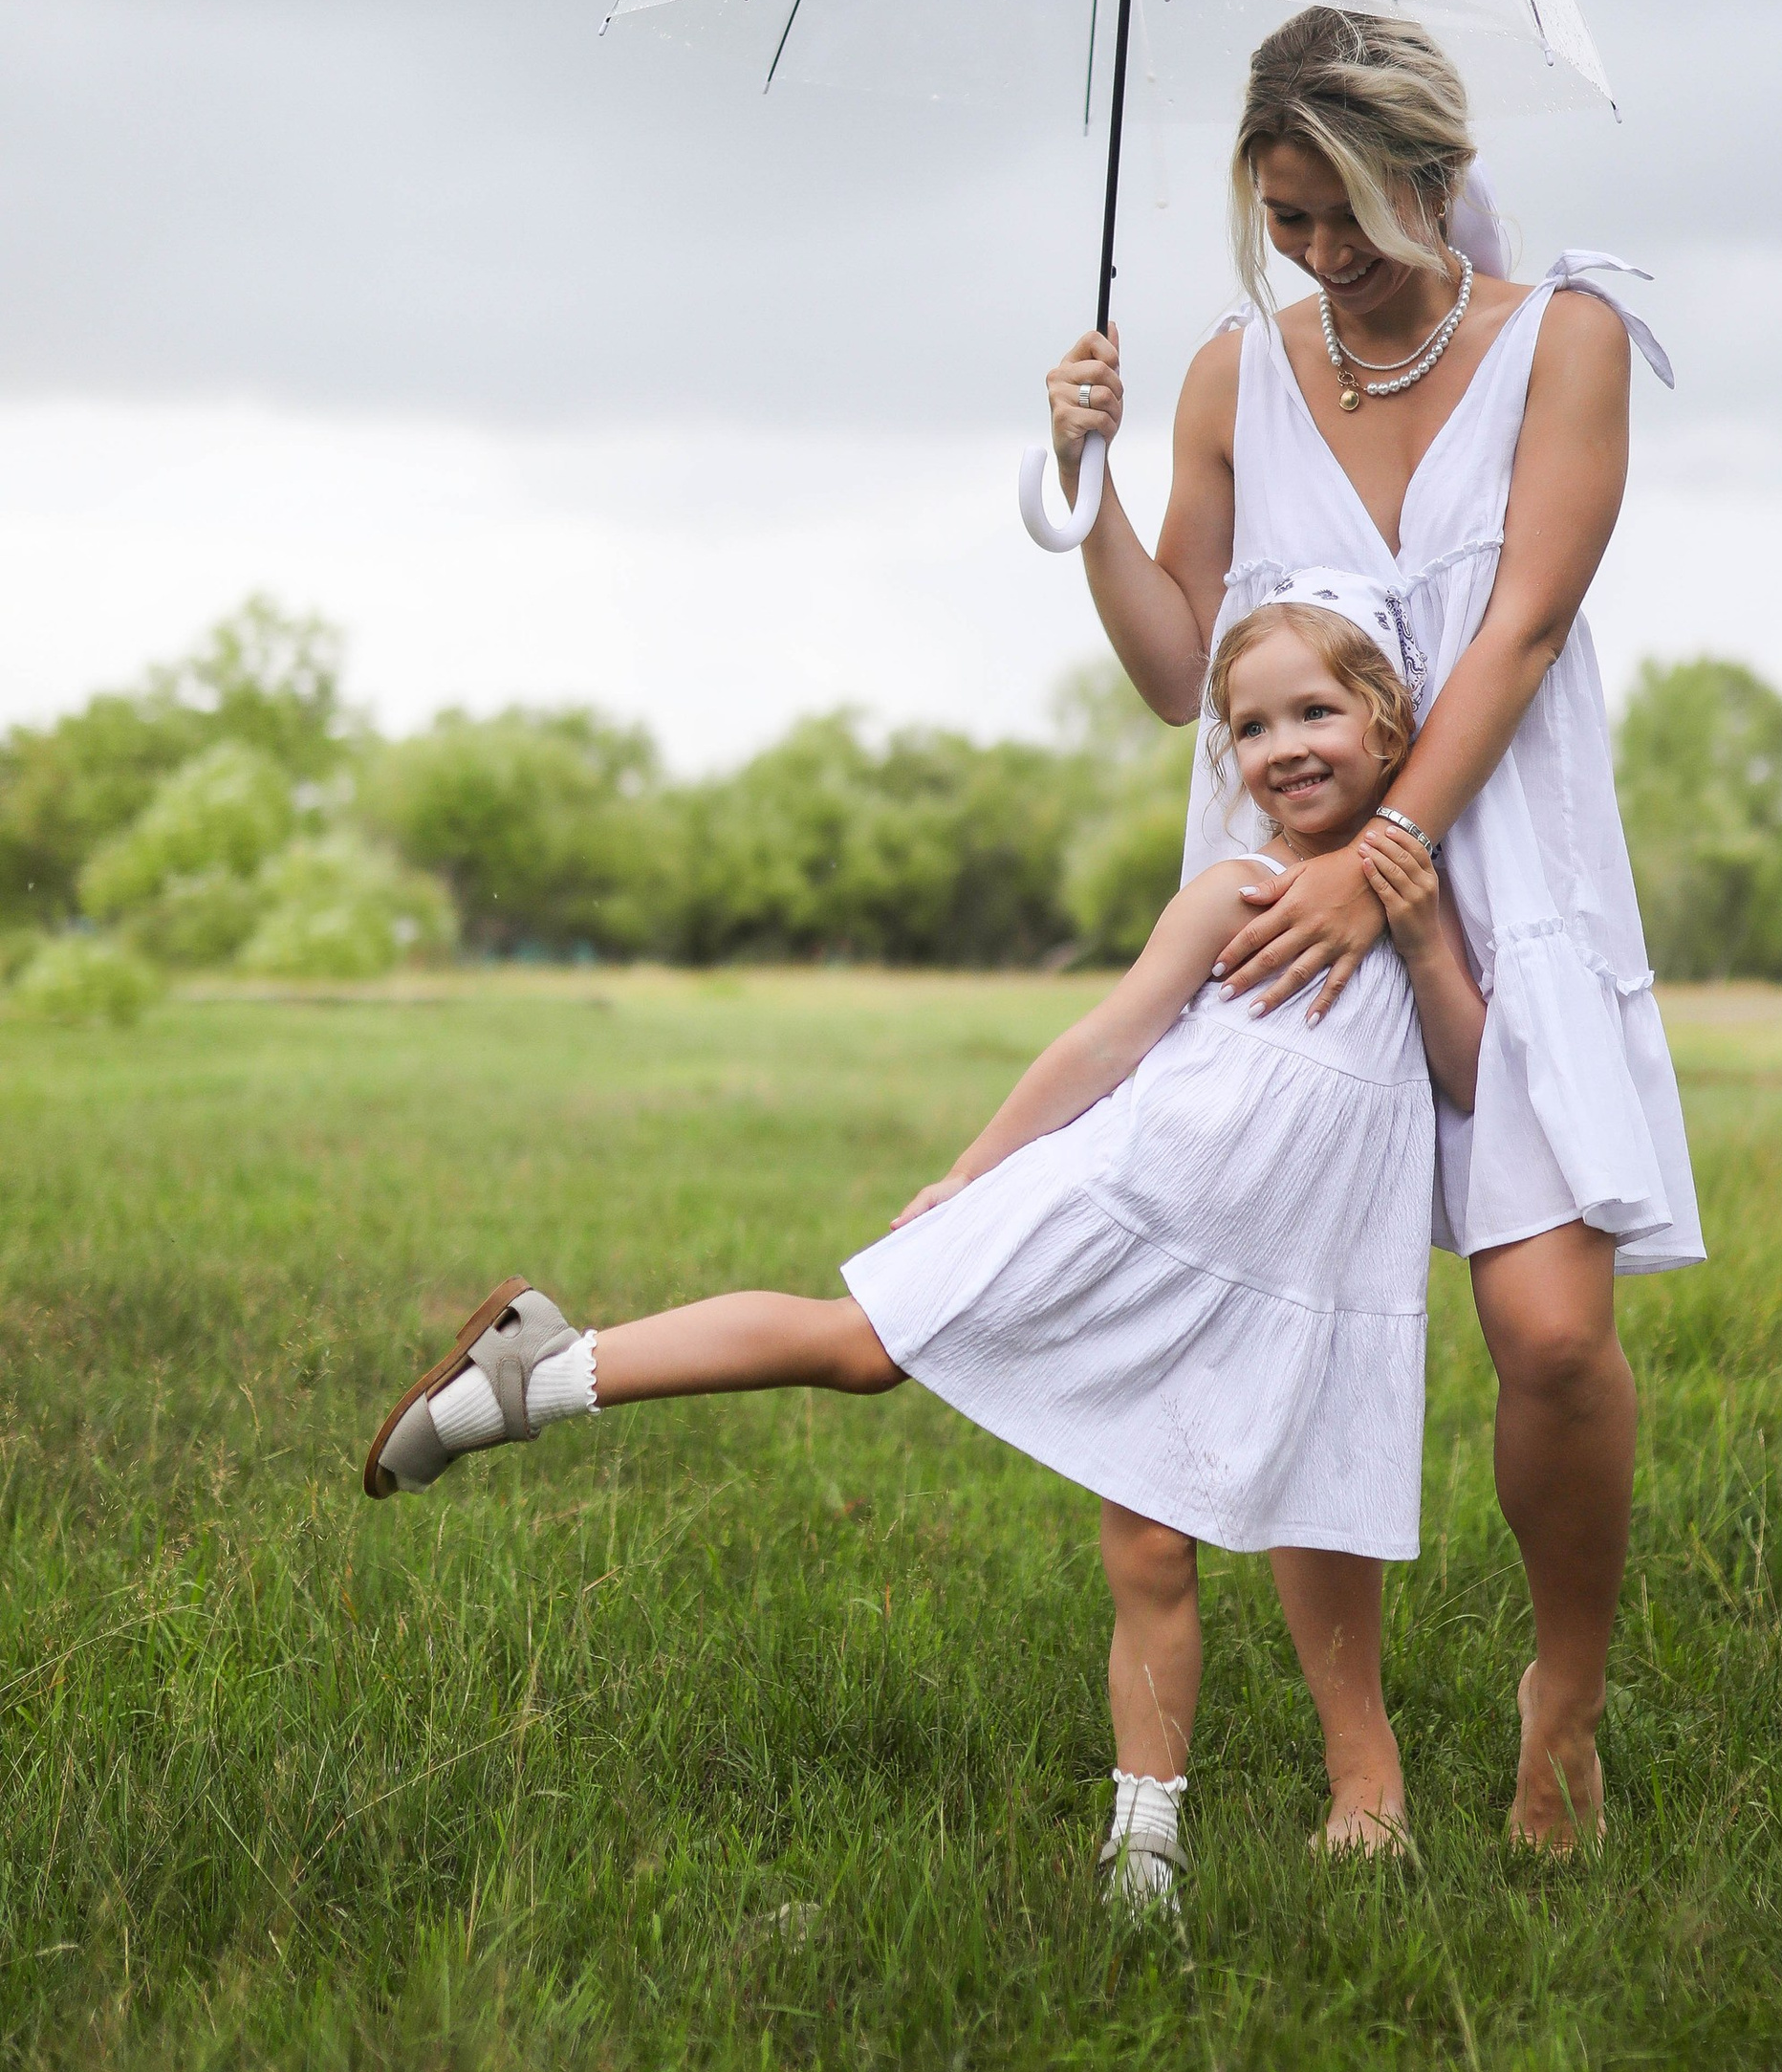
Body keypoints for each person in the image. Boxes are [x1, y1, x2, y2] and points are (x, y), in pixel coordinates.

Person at [359, 584, 1484, 1903]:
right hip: (1117, 1214)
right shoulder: (1234, 892)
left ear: (1389, 724)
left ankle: (1144, 1857)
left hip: (1267, 1292)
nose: (1284, 743)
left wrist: (1417, 935)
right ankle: (538, 1373)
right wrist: (972, 1173)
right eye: (1250, 725)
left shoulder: (1419, 901)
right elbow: (1105, 1043)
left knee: (1154, 1555)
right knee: (861, 1349)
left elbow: (1464, 1073)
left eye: (1317, 711)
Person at [1042, 7, 1706, 1853]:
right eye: (1284, 220)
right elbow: (1186, 669)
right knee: (1309, 1327)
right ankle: (1363, 1763)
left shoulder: (1565, 338)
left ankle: (1560, 1702)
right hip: (1291, 893)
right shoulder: (1229, 376)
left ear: (1431, 174)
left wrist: (1391, 858)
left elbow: (1524, 631)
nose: (1322, 257)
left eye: (1348, 214)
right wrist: (1084, 494)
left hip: (1505, 871)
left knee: (1555, 1337)